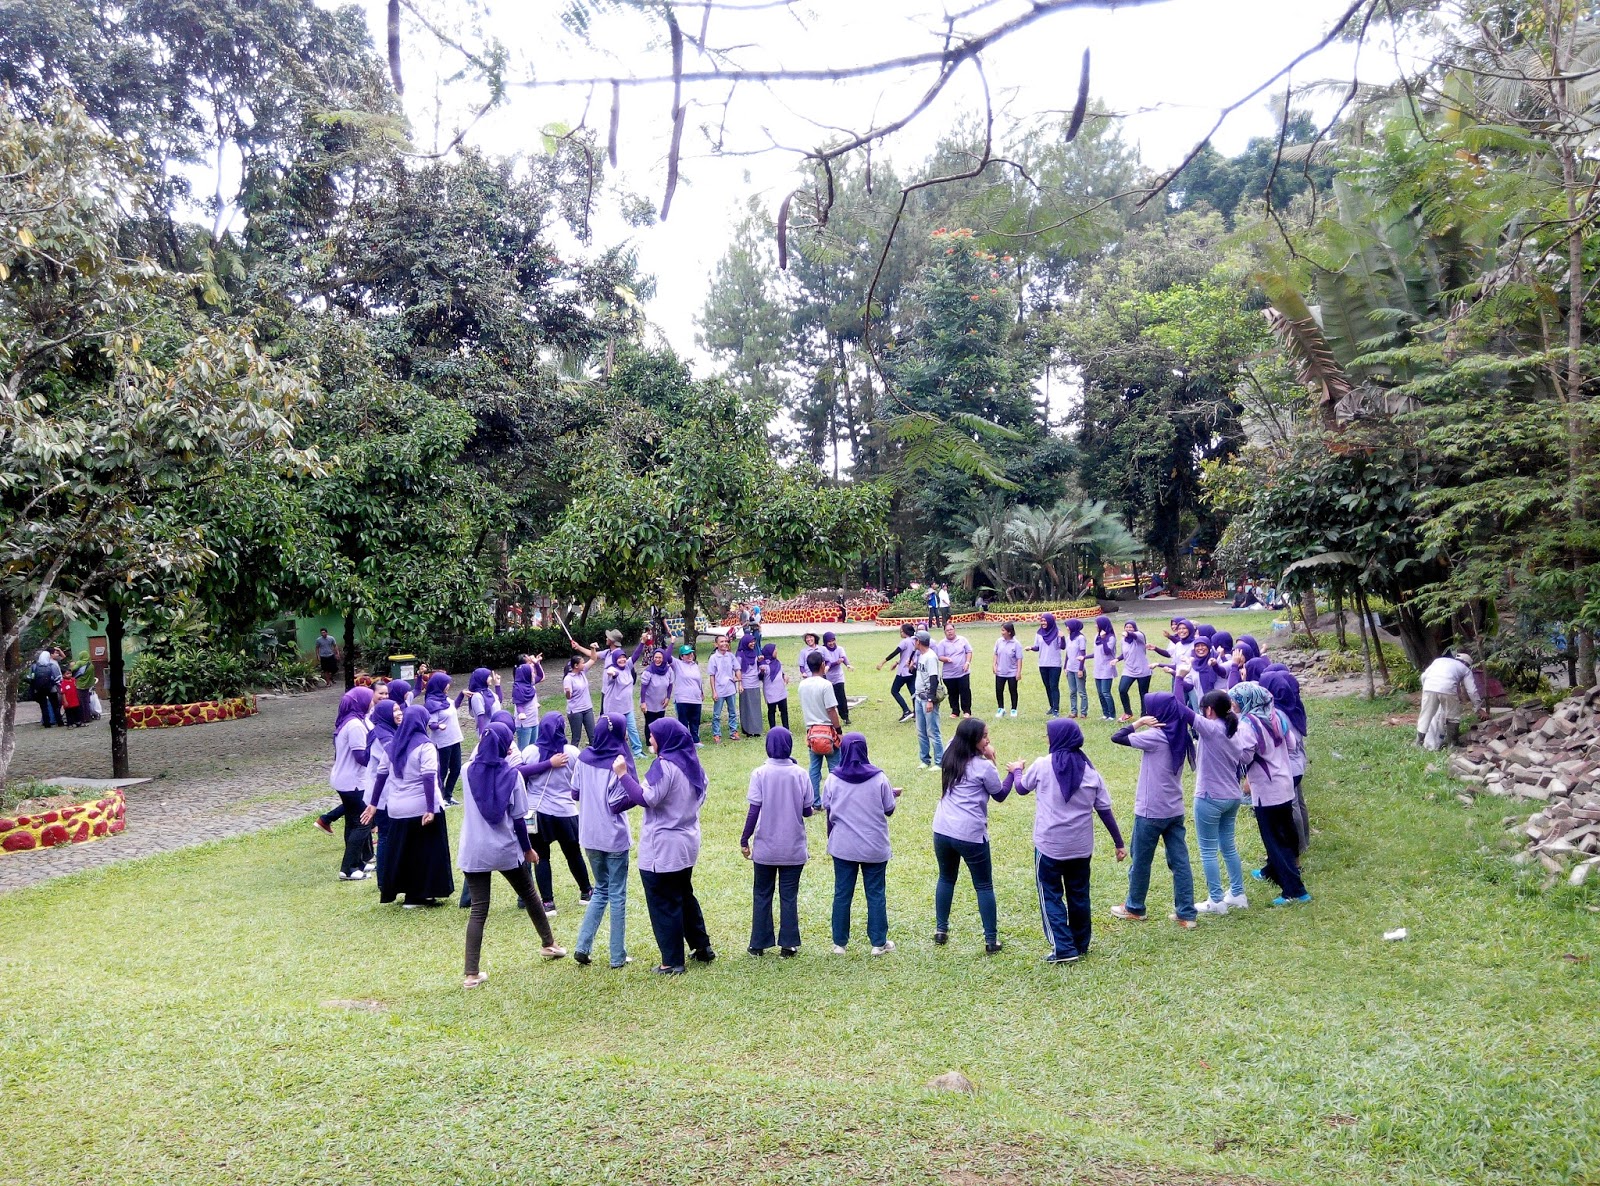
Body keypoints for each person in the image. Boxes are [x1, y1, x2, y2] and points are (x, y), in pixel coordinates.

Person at [459, 722, 566, 987]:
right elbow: (519, 819)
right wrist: (527, 849)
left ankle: (471, 973)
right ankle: (549, 944)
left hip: (473, 850)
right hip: (504, 848)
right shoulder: (513, 776)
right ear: (506, 747)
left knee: (479, 909)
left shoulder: (466, 770)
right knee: (529, 894)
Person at [1012, 718, 1126, 963]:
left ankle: (1063, 948)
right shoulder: (1091, 772)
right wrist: (1119, 843)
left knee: (1050, 894)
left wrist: (1017, 770)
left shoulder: (1042, 765)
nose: (1047, 739)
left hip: (1049, 846)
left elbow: (1020, 788)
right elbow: (1105, 811)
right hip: (1081, 847)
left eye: (1049, 735)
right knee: (1079, 894)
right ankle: (1080, 943)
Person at [609, 718, 715, 974]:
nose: (650, 739)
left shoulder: (664, 766)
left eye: (653, 735)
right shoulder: (694, 765)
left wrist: (623, 774)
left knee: (663, 903)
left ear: (666, 739)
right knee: (684, 895)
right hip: (687, 842)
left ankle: (671, 961)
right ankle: (702, 947)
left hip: (663, 847)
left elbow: (646, 798)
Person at [1109, 692, 1197, 927]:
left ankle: (1134, 907)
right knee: (1180, 862)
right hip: (1174, 809)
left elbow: (1117, 737)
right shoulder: (1181, 734)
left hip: (1150, 810)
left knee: (1141, 861)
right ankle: (1186, 913)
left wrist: (1138, 723)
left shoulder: (1155, 736)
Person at [361, 704, 453, 908]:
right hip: (420, 807)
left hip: (397, 808)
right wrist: (430, 808)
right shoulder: (425, 745)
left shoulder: (393, 745)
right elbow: (428, 777)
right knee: (425, 853)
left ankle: (408, 894)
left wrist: (374, 804)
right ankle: (420, 895)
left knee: (404, 853)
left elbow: (381, 775)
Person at [931, 717, 1011, 953]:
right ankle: (991, 940)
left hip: (942, 829)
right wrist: (1013, 772)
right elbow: (1000, 794)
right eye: (984, 737)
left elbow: (956, 738)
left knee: (946, 878)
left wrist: (984, 749)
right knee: (984, 885)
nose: (988, 740)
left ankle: (941, 930)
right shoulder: (984, 767)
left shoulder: (949, 753)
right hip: (970, 834)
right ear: (973, 740)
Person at [1230, 681, 1311, 906]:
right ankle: (1271, 871)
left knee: (1274, 840)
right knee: (1284, 831)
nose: (1233, 704)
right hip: (1284, 782)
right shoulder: (1277, 716)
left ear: (1247, 700)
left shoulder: (1247, 725)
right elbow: (1292, 745)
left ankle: (1295, 891)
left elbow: (1245, 757)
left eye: (1236, 700)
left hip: (1266, 789)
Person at [822, 733, 900, 955]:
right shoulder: (879, 778)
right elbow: (889, 809)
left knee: (842, 893)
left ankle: (839, 943)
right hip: (874, 845)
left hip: (843, 846)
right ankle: (878, 943)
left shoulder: (833, 779)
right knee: (875, 893)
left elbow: (827, 807)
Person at [571, 713, 637, 968]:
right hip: (614, 835)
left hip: (589, 835)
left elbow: (575, 792)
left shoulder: (583, 757)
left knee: (601, 889)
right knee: (617, 894)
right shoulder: (618, 762)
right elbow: (617, 803)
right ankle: (617, 955)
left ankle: (583, 945)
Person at [741, 727, 811, 957]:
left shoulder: (759, 773)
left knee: (762, 893)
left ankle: (758, 944)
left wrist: (744, 838)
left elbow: (753, 811)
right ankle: (788, 944)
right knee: (789, 895)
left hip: (766, 847)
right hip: (793, 847)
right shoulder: (800, 773)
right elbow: (807, 810)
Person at [521, 711, 593, 915]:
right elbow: (581, 779)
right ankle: (586, 892)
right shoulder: (572, 752)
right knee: (573, 853)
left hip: (538, 811)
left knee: (541, 857)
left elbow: (520, 775)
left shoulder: (530, 752)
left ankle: (548, 903)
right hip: (565, 810)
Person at [1190, 689, 1248, 915]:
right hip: (1232, 796)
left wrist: (1179, 679)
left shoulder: (1210, 728)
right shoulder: (1235, 729)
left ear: (1209, 710)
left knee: (1207, 851)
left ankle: (1216, 900)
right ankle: (1237, 894)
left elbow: (1179, 708)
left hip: (1210, 797)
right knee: (1228, 847)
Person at [321, 687, 377, 880]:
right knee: (363, 823)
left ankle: (359, 862)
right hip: (354, 782)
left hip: (346, 779)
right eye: (369, 699)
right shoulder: (354, 725)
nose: (372, 703)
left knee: (353, 822)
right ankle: (348, 868)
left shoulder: (352, 720)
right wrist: (378, 758)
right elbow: (361, 757)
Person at [1260, 668, 1311, 853]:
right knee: (1299, 802)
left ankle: (1299, 846)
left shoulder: (1278, 714)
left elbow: (1286, 742)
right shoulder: (1291, 705)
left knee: (1293, 805)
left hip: (1289, 765)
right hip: (1298, 762)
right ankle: (1305, 840)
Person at [800, 651, 844, 807]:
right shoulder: (826, 685)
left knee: (814, 768)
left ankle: (815, 801)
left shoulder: (802, 685)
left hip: (812, 731)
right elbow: (831, 710)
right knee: (835, 767)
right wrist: (839, 731)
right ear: (823, 665)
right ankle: (835, 799)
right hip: (828, 731)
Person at [1417, 651, 1482, 750]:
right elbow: (1472, 691)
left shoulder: (1439, 661)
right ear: (1466, 663)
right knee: (1453, 716)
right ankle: (1453, 744)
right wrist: (1478, 707)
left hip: (1428, 687)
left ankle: (1418, 742)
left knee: (1426, 714)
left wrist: (1427, 688)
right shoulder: (1465, 669)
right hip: (1448, 688)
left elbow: (1423, 676)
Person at [422, 672, 464, 808]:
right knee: (442, 771)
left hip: (454, 739)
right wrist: (438, 726)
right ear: (439, 685)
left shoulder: (445, 699)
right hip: (442, 743)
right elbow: (431, 724)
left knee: (456, 768)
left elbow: (454, 707)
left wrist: (462, 694)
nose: (448, 686)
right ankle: (439, 797)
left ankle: (448, 795)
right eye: (446, 684)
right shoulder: (432, 703)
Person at [911, 629, 945, 770]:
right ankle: (925, 760)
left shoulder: (930, 657)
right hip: (919, 697)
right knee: (921, 731)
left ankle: (939, 761)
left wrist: (930, 700)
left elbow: (933, 679)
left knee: (933, 730)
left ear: (919, 641)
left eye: (915, 640)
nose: (914, 643)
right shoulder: (921, 655)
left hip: (927, 698)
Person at [877, 623, 918, 723]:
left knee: (894, 690)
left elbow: (895, 653)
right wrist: (897, 663)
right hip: (912, 670)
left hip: (903, 671)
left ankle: (906, 711)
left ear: (905, 632)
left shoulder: (905, 642)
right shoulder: (915, 641)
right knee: (913, 692)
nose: (900, 633)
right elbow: (909, 655)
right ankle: (917, 713)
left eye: (901, 631)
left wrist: (882, 662)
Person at [935, 622, 974, 720]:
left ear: (954, 630)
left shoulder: (962, 640)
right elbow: (939, 656)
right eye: (947, 630)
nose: (949, 632)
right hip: (949, 674)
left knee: (965, 691)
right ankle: (955, 711)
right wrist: (946, 659)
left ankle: (967, 711)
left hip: (963, 672)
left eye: (951, 629)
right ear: (944, 632)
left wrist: (967, 663)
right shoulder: (942, 643)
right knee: (952, 693)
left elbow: (969, 651)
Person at [706, 634, 741, 743]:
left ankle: (733, 731)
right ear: (716, 644)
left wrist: (739, 681)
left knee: (733, 712)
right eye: (721, 642)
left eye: (726, 641)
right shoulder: (713, 658)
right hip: (719, 690)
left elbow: (737, 669)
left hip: (730, 689)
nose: (724, 643)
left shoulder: (730, 656)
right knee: (717, 714)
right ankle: (716, 734)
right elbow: (712, 676)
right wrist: (714, 691)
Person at [1115, 619, 1153, 721]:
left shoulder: (1139, 635)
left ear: (1135, 628)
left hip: (1143, 669)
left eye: (1131, 627)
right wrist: (1117, 659)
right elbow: (1125, 653)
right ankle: (1128, 713)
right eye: (1126, 627)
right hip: (1129, 670)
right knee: (1122, 689)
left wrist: (1127, 633)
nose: (1128, 629)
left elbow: (1133, 635)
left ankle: (1144, 715)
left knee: (1143, 693)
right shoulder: (1123, 640)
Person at [1028, 613, 1064, 719]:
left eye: (1045, 621)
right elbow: (1037, 647)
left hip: (1055, 664)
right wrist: (1031, 648)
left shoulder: (1057, 632)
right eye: (1042, 621)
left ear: (1050, 621)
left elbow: (1062, 647)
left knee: (1054, 686)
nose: (1043, 623)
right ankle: (1052, 706)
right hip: (1043, 664)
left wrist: (1062, 638)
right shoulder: (1039, 633)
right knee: (1047, 686)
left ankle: (1056, 709)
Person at [670, 641, 706, 743]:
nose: (690, 656)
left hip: (696, 698)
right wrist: (672, 643)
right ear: (682, 656)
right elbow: (667, 657)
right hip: (683, 698)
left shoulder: (695, 665)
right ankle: (684, 741)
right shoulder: (677, 664)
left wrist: (701, 692)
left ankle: (695, 740)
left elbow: (698, 681)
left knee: (695, 721)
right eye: (687, 654)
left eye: (691, 653)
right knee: (683, 722)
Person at [559, 654, 596, 747]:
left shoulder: (582, 672)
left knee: (593, 735)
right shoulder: (568, 679)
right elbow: (569, 697)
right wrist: (568, 692)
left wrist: (592, 648)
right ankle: (572, 754)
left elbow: (593, 659)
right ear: (576, 665)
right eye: (582, 663)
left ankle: (594, 754)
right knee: (576, 737)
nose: (584, 664)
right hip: (575, 711)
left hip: (587, 708)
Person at [511, 656, 546, 749]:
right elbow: (519, 704)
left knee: (534, 748)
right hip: (524, 724)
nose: (534, 673)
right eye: (532, 672)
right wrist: (521, 713)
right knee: (524, 749)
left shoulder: (530, 683)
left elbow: (541, 676)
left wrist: (537, 664)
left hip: (534, 721)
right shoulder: (518, 688)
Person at [819, 631, 853, 724]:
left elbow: (843, 658)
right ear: (825, 642)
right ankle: (828, 719)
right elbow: (826, 664)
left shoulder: (839, 649)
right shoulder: (822, 650)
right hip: (827, 678)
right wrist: (836, 663)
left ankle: (845, 717)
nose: (831, 643)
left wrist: (848, 665)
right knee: (828, 699)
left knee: (841, 697)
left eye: (833, 640)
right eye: (829, 641)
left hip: (838, 677)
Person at [736, 632, 764, 740]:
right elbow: (737, 670)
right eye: (750, 642)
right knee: (747, 708)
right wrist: (740, 684)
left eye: (754, 641)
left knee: (756, 707)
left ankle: (756, 730)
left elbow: (756, 667)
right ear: (745, 642)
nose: (753, 643)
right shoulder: (740, 655)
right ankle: (748, 730)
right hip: (746, 684)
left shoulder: (754, 652)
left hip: (755, 683)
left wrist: (760, 663)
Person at [1091, 615, 1119, 721]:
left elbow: (1107, 651)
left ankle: (1112, 715)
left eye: (1097, 624)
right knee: (1100, 693)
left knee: (1106, 692)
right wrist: (1084, 657)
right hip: (1098, 667)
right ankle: (1105, 713)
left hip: (1107, 668)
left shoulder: (1111, 638)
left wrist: (1103, 639)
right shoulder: (1096, 636)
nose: (1095, 626)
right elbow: (1096, 653)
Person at [992, 622, 1023, 718]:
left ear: (1009, 632)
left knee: (1013, 690)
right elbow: (995, 654)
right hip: (1000, 671)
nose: (1001, 632)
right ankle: (1001, 708)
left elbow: (1019, 659)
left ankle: (1013, 709)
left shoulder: (1016, 644)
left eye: (1003, 630)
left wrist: (1018, 672)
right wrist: (994, 665)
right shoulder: (999, 641)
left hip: (1012, 672)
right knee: (999, 690)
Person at [758, 642, 790, 730]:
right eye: (774, 650)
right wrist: (762, 672)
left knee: (784, 710)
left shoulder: (777, 662)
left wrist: (784, 675)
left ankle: (786, 728)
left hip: (780, 690)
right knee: (771, 711)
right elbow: (760, 677)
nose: (776, 651)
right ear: (769, 651)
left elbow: (780, 672)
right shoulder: (763, 664)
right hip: (770, 691)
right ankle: (772, 729)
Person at [639, 647, 673, 729]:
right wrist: (643, 702)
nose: (657, 660)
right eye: (656, 657)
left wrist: (668, 698)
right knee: (650, 725)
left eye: (660, 657)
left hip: (661, 703)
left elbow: (670, 684)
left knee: (660, 725)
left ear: (663, 658)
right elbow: (643, 688)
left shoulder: (668, 670)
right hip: (649, 704)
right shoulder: (648, 672)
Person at [1062, 619, 1087, 719]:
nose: (1067, 628)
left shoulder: (1081, 638)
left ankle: (1083, 712)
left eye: (1068, 626)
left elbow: (1083, 654)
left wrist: (1080, 669)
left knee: (1081, 692)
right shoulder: (1068, 638)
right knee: (1072, 691)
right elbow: (1067, 654)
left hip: (1078, 668)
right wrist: (1065, 666)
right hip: (1070, 668)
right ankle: (1073, 711)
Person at [464, 667, 501, 736]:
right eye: (488, 676)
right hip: (488, 733)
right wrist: (482, 735)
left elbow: (499, 700)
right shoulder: (477, 696)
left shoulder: (488, 691)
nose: (491, 678)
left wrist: (497, 685)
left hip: (497, 729)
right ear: (482, 679)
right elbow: (480, 717)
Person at [31, 648, 61, 727]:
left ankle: (46, 723)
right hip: (52, 688)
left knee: (43, 706)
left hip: (39, 689)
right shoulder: (52, 666)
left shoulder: (34, 667)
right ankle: (59, 721)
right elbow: (58, 678)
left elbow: (32, 677)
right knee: (55, 706)